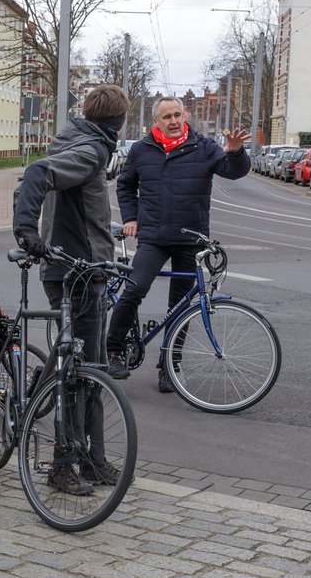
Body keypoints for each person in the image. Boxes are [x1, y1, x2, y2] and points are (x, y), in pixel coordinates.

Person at [11, 84, 131, 496]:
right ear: (118, 122)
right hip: (76, 273)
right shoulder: (93, 149)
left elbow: (69, 201)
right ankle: (63, 465)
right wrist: (26, 230)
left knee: (90, 368)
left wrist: (105, 232)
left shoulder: (77, 139)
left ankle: (93, 460)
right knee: (81, 374)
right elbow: (37, 175)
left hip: (81, 268)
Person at [105, 97, 250, 392]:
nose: (173, 121)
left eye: (177, 115)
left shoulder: (203, 146)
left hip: (190, 238)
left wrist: (235, 153)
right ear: (156, 121)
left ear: (185, 116)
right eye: (166, 117)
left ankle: (170, 365)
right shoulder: (141, 149)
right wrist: (130, 217)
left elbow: (233, 171)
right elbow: (125, 184)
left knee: (181, 307)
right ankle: (114, 350)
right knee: (135, 288)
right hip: (154, 237)